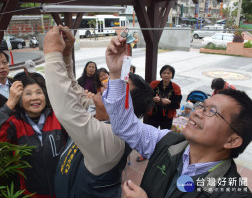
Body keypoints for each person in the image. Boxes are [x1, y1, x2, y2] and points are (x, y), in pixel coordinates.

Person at [102, 35, 252, 198]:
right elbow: (124, 126)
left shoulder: (234, 194)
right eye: (201, 105)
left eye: (211, 111)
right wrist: (117, 73)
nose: (195, 112)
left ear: (232, 140)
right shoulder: (167, 142)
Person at [43, 25, 154, 198]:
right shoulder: (95, 109)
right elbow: (72, 87)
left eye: (116, 90)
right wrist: (66, 53)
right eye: (110, 81)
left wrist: (52, 54)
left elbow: (66, 109)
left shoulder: (113, 140)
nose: (104, 84)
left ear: (124, 109)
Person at [0, 76, 67, 197]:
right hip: (32, 193)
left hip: (63, 189)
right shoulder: (16, 123)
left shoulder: (57, 117)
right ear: (19, 99)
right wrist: (9, 104)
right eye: (28, 94)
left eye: (39, 92)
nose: (35, 97)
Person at [145, 64, 182, 130]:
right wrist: (153, 99)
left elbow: (177, 105)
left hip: (167, 118)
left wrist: (169, 103)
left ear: (172, 75)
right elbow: (146, 97)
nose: (166, 75)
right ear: (161, 74)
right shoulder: (154, 84)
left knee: (164, 136)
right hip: (153, 116)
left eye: (168, 73)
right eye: (164, 73)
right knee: (150, 134)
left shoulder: (176, 88)